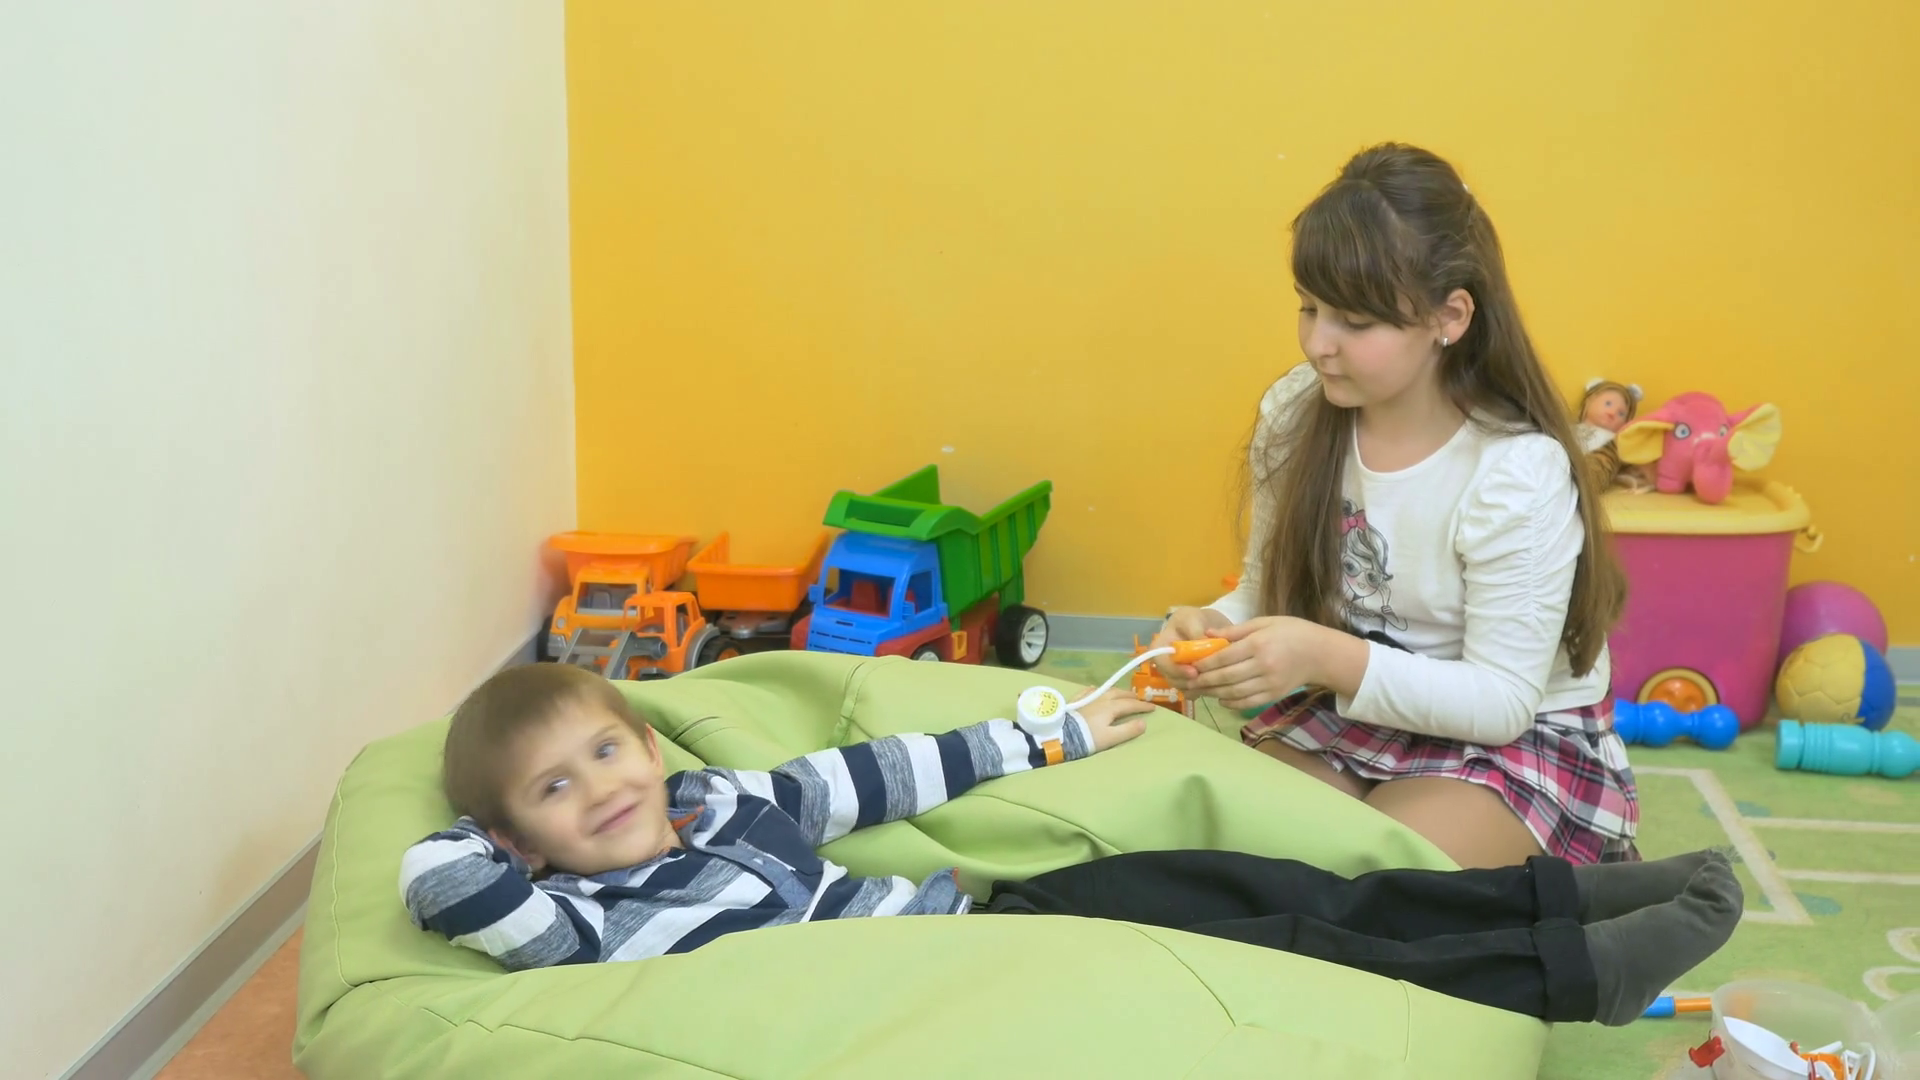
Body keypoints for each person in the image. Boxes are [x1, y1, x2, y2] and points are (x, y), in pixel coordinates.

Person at [399, 664, 1740, 1025]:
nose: (600, 791)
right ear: (519, 839)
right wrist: (499, 845)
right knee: (1290, 949)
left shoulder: (730, 799)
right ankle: (1577, 976)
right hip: (962, 991)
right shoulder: (584, 924)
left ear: (648, 743)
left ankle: (1557, 897)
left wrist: (1048, 742)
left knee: (1273, 881)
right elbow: (441, 884)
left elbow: (887, 770)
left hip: (994, 919)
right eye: (553, 793)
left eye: (606, 752)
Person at [1151, 143, 1637, 869]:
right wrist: (1213, 626)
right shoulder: (1296, 414)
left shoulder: (1514, 469)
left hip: (1513, 730)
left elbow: (1500, 701)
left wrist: (1323, 655)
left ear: (1450, 316)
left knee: (1375, 875)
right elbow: (1266, 586)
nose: (1319, 345)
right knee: (1241, 853)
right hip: (1357, 706)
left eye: (1355, 321)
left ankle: (1594, 899)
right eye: (1309, 308)